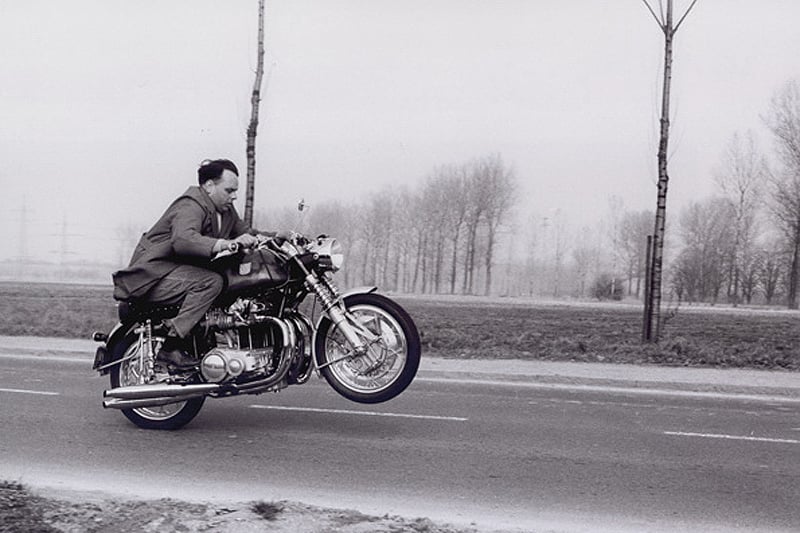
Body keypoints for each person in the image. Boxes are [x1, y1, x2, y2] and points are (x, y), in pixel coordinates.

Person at [112, 158, 272, 368]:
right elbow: (183, 240)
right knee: (210, 282)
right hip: (152, 276)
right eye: (229, 190)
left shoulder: (225, 211)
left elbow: (246, 233)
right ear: (209, 186)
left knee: (228, 279)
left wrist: (278, 237)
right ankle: (171, 346)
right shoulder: (191, 205)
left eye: (236, 191)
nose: (234, 196)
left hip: (178, 272)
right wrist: (226, 244)